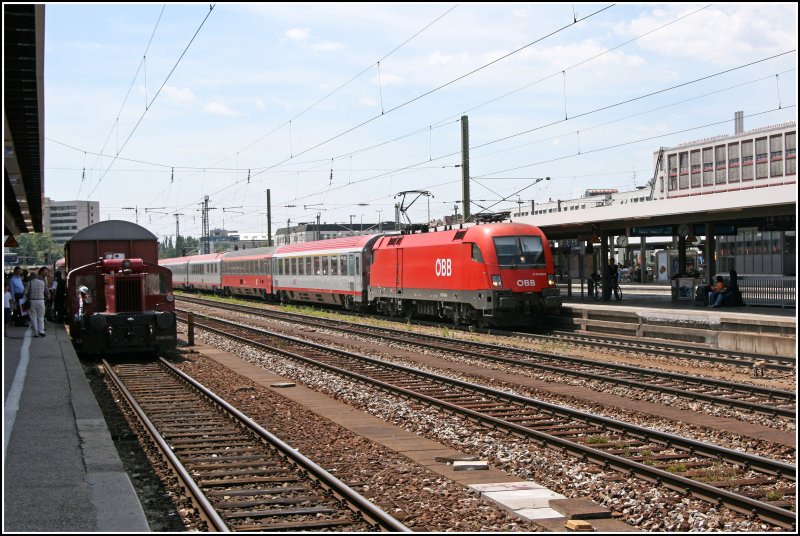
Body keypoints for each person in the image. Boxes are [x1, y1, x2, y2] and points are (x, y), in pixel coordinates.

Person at [27, 267, 47, 337]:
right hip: (41, 300)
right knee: (41, 316)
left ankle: (36, 333)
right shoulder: (42, 282)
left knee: (33, 317)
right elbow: (45, 292)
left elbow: (26, 292)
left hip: (32, 301)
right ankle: (41, 331)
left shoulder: (29, 283)